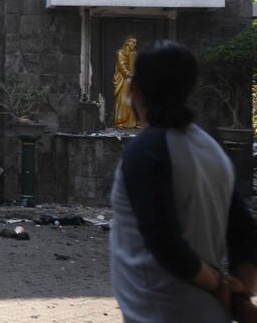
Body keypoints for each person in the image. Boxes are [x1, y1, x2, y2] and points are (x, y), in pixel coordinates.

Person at [110, 41, 257, 322]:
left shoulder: (146, 150)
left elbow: (164, 240)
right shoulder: (212, 150)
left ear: (135, 90)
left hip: (161, 312)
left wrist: (219, 284)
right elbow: (245, 231)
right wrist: (241, 295)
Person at [113, 36, 138, 128]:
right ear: (128, 42)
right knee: (123, 100)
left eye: (135, 43)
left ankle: (132, 123)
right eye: (133, 42)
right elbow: (121, 65)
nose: (135, 45)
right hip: (123, 79)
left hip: (132, 79)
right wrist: (128, 74)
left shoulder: (134, 53)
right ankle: (121, 122)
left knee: (132, 100)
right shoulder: (121, 52)